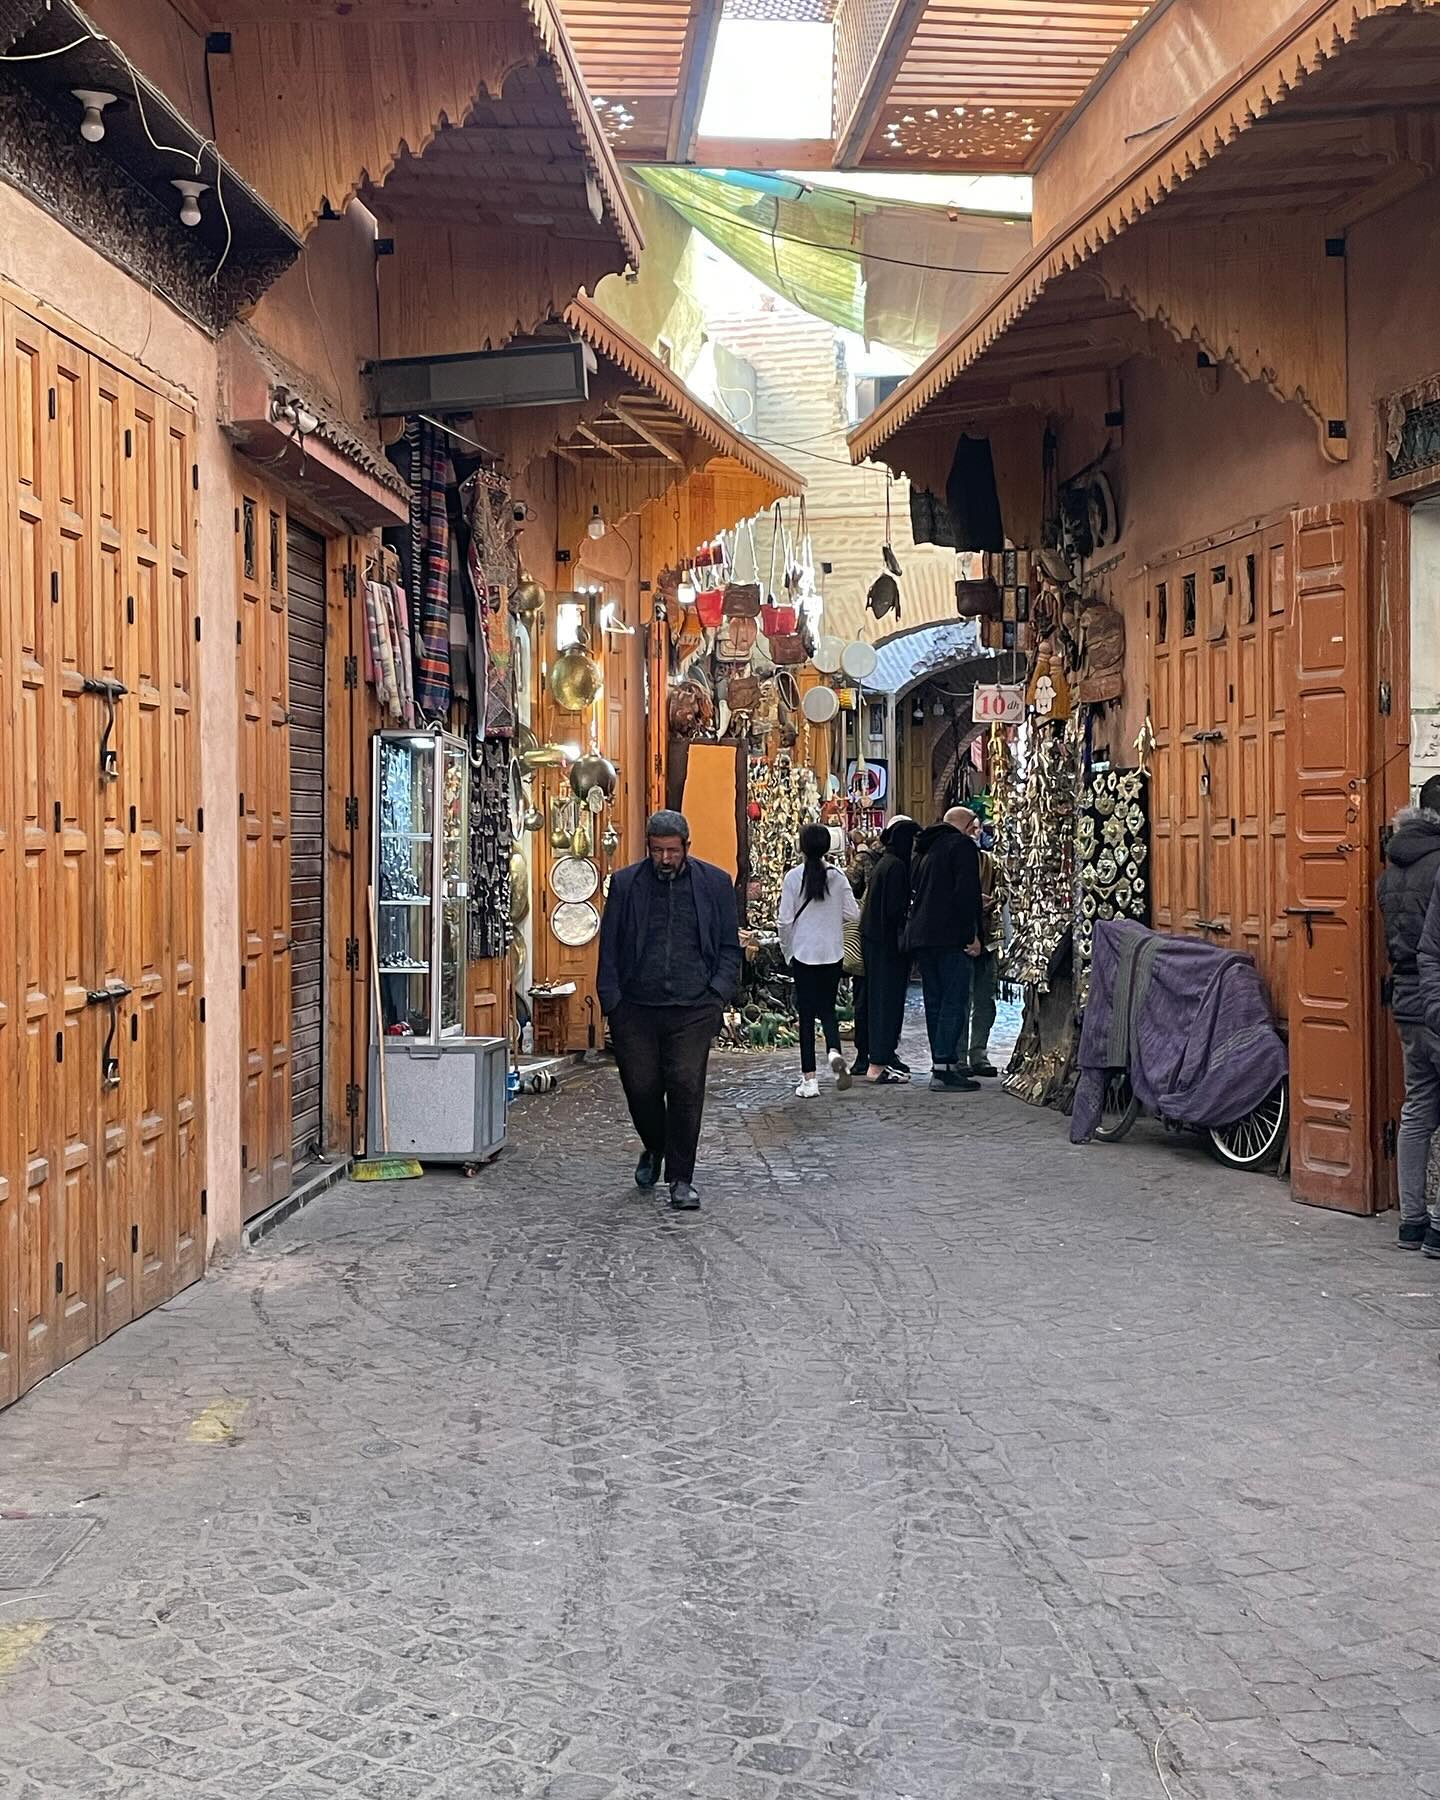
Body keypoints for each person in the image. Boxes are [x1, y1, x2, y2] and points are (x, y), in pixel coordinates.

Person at [597, 810, 742, 1212]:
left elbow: (729, 947)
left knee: (685, 1086)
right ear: (648, 847)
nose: (665, 858)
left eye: (672, 851)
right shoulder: (626, 884)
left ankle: (681, 1178)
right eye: (658, 850)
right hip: (635, 1008)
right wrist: (612, 1002)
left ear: (686, 848)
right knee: (640, 1088)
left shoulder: (715, 884)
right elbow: (609, 947)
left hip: (694, 1007)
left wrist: (717, 995)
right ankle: (655, 1146)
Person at [1384, 776, 1440, 1251]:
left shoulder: (1394, 866)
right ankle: (1438, 1228)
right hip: (1435, 996)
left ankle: (1412, 1221)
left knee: (1418, 1108)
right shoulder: (1437, 864)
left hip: (1405, 998)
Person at [778, 823, 860, 1098]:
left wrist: (788, 951)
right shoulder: (837, 876)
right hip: (832, 953)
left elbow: (784, 921)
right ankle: (835, 1056)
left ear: (801, 846)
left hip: (804, 954)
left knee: (806, 1017)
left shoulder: (793, 878)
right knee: (828, 1011)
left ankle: (809, 1080)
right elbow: (853, 914)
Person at [908, 805, 984, 1093]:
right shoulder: (961, 847)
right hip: (951, 936)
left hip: (924, 936)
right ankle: (944, 1068)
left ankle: (942, 1063)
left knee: (935, 1002)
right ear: (966, 825)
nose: (977, 831)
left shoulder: (926, 848)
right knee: (953, 1001)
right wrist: (972, 934)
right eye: (975, 825)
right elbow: (966, 893)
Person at [859, 816, 920, 1084]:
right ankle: (879, 1064)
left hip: (876, 943)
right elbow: (895, 911)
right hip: (887, 947)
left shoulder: (885, 863)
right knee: (887, 1002)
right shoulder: (895, 867)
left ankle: (880, 1058)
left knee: (879, 1001)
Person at [957, 806, 1006, 1078]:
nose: (976, 833)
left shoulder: (990, 862)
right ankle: (958, 1056)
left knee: (985, 1000)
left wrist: (994, 899)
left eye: (978, 828)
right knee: (961, 999)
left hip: (987, 937)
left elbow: (1005, 889)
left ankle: (978, 1053)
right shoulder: (950, 860)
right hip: (962, 939)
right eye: (972, 828)